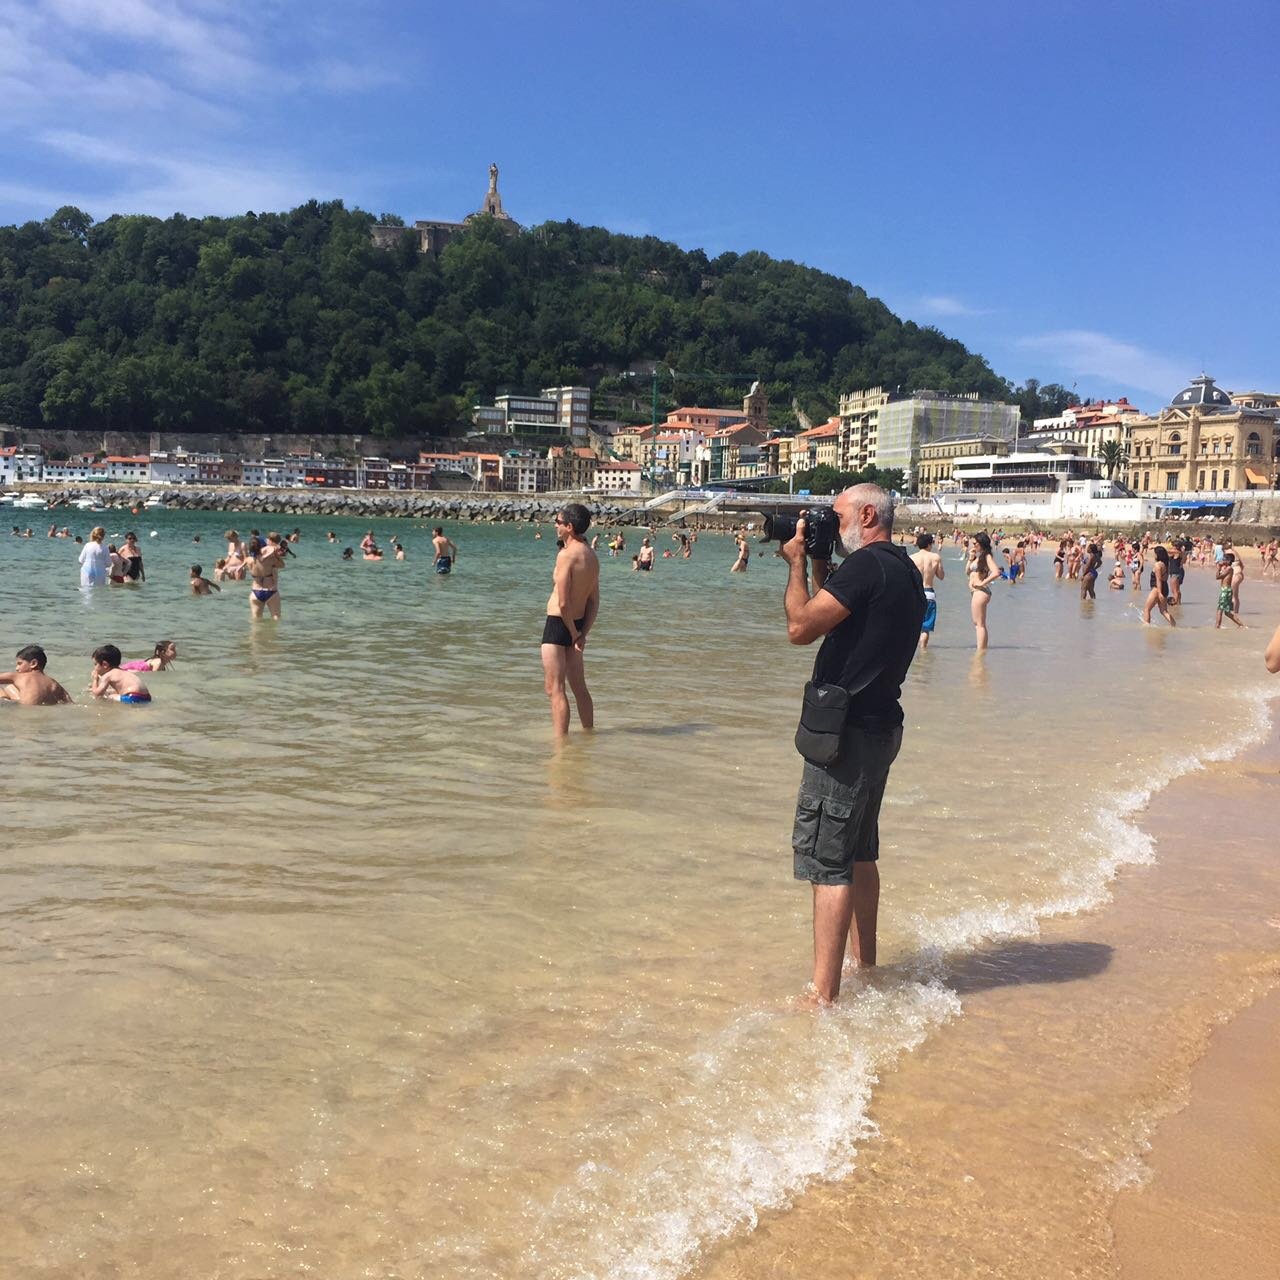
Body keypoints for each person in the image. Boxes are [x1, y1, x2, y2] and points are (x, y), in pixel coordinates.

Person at [780, 483, 925, 1004]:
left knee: (829, 863)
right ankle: (867, 967)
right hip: (881, 726)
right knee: (860, 853)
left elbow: (801, 626)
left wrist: (797, 563)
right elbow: (840, 616)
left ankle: (823, 997)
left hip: (845, 737)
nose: (830, 525)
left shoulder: (866, 567)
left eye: (836, 517)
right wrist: (822, 561)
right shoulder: (901, 569)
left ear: (867, 515)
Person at [541, 503, 599, 737]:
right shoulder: (591, 556)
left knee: (554, 688)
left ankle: (560, 745)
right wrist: (582, 633)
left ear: (569, 527)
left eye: (558, 522)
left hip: (558, 624)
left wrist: (573, 633)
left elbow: (563, 602)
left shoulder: (566, 555)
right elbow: (594, 601)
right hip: (578, 623)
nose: (555, 525)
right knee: (579, 687)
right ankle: (589, 735)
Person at [0, 645, 73, 705]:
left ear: (33, 663)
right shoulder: (54, 684)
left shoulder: (19, 677)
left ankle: (4, 698)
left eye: (20, 664)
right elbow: (70, 703)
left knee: (9, 687)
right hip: (44, 715)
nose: (17, 668)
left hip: (22, 712)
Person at [909, 532, 944, 650]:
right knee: (926, 627)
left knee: (914, 625)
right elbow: (941, 576)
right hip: (929, 592)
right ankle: (923, 651)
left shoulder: (912, 558)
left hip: (915, 593)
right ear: (929, 544)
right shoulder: (935, 557)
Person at [967, 533, 1002, 650]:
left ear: (981, 543)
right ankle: (982, 650)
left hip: (980, 591)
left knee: (979, 624)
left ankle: (980, 651)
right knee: (979, 623)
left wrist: (982, 583)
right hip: (977, 592)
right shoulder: (979, 557)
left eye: (975, 543)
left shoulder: (987, 556)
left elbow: (996, 572)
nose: (973, 545)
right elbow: (967, 572)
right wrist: (970, 558)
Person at [247, 534, 286, 620]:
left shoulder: (248, 560)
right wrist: (276, 555)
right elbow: (282, 565)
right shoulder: (270, 560)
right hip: (271, 590)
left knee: (256, 619)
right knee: (276, 617)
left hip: (255, 591)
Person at [1142, 546, 1176, 626]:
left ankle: (1147, 626)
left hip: (1157, 588)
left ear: (1158, 554)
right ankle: (1174, 625)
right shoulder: (1166, 564)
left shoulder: (1158, 565)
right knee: (1163, 611)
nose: (1154, 555)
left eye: (1155, 553)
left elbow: (1158, 579)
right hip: (1165, 587)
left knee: (1147, 609)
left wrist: (1159, 593)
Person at [1215, 556, 1246, 629]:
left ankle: (1217, 626)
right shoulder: (1227, 568)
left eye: (1224, 559)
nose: (1222, 560)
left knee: (1220, 609)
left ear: (1228, 561)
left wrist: (1218, 568)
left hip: (1226, 590)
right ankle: (1241, 625)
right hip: (1226, 590)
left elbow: (1218, 577)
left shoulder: (1229, 569)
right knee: (1227, 612)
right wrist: (1220, 568)